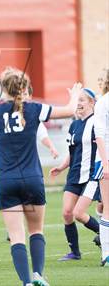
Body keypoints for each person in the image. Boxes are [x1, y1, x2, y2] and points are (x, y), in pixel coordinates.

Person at [0, 67, 82, 286]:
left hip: (6, 181)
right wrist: (74, 95)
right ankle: (38, 275)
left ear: (3, 89)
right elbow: (69, 110)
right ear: (25, 88)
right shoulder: (34, 108)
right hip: (32, 178)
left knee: (16, 237)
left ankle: (27, 282)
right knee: (36, 230)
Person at [49, 88, 101, 261]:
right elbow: (72, 152)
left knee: (79, 213)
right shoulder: (74, 124)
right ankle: (75, 253)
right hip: (74, 175)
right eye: (76, 100)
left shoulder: (97, 122)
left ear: (92, 103)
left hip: (92, 175)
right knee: (67, 213)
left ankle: (104, 234)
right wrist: (61, 167)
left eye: (82, 100)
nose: (78, 104)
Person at [94, 68, 109, 267]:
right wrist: (106, 163)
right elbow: (100, 134)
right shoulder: (104, 102)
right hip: (106, 161)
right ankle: (106, 253)